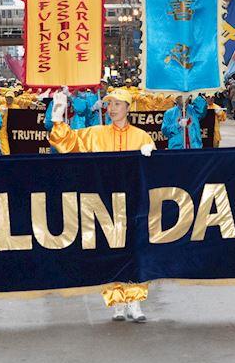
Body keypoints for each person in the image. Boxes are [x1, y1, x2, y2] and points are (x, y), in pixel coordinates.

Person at [48, 87, 155, 322]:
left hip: (133, 201)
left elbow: (154, 173)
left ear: (128, 108)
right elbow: (68, 143)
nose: (112, 108)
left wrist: (152, 156)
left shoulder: (142, 137)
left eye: (117, 104)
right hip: (105, 202)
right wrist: (57, 119)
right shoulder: (96, 134)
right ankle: (117, 302)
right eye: (110, 104)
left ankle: (135, 301)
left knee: (135, 249)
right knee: (111, 250)